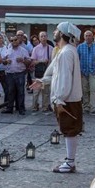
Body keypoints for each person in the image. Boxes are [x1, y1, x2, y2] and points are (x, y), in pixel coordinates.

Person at [34, 23, 84, 174]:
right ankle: (70, 161)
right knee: (69, 129)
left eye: (56, 30)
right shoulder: (66, 51)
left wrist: (59, 99)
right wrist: (42, 81)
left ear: (62, 34)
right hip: (68, 98)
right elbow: (55, 74)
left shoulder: (66, 52)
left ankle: (70, 162)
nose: (54, 32)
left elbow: (64, 78)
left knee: (69, 129)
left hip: (67, 99)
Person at [78, 30, 95, 111]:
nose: (88, 37)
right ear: (84, 37)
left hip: (94, 71)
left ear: (92, 36)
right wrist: (79, 70)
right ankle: (86, 106)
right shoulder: (80, 47)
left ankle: (93, 107)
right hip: (83, 71)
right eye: (86, 35)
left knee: (93, 90)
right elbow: (76, 59)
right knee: (85, 90)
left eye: (89, 35)